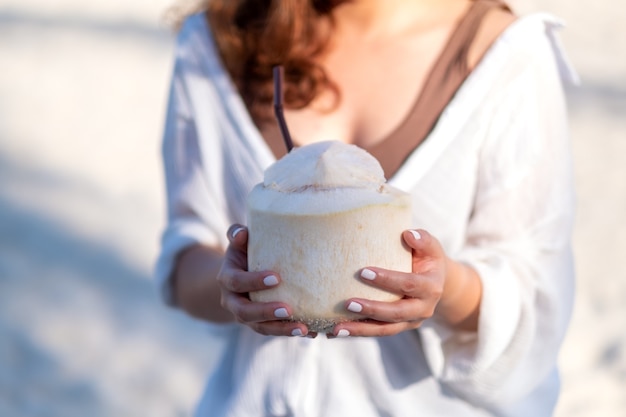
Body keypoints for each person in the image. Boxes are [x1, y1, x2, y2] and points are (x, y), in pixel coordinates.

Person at [155, 0, 578, 415]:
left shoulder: (507, 54)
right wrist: (233, 285)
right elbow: (186, 254)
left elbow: (536, 300)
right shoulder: (217, 42)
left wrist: (444, 288)